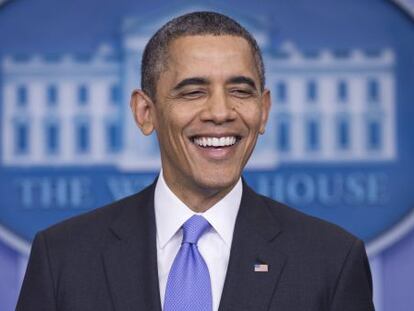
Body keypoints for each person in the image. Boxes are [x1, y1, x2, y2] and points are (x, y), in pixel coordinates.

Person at [16, 11, 375, 311]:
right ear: (145, 112)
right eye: (193, 92)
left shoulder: (332, 260)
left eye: (239, 91)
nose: (220, 112)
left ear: (263, 111)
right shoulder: (62, 257)